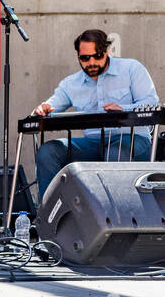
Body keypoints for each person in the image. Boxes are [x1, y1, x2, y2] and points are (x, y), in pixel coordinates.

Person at [30, 29, 158, 199]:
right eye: (85, 58)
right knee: (48, 152)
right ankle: (50, 217)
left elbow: (152, 104)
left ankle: (118, 215)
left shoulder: (131, 69)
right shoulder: (71, 84)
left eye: (97, 56)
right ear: (77, 55)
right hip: (93, 143)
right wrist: (40, 111)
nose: (91, 62)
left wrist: (123, 110)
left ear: (107, 52)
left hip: (132, 139)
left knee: (115, 152)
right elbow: (48, 107)